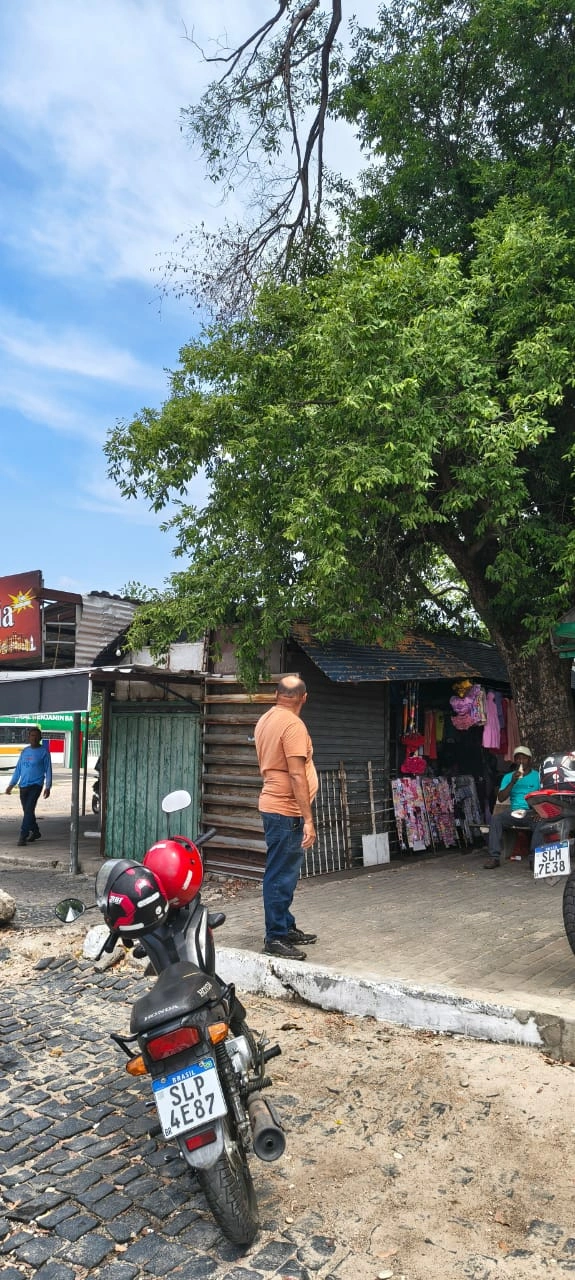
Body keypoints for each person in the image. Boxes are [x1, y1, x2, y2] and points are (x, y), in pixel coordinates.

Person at [254, 675, 318, 960]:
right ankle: (275, 937)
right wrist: (308, 819)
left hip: (275, 806)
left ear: (278, 694)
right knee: (280, 875)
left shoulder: (266, 719)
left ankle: (285, 926)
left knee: (285, 874)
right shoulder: (293, 725)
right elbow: (295, 773)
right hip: (286, 810)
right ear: (303, 697)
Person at [483, 746, 540, 869]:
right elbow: (502, 797)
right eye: (518, 758)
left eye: (524, 758)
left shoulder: (538, 776)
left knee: (540, 823)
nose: (520, 761)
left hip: (530, 812)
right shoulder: (509, 777)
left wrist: (538, 811)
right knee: (496, 819)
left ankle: (535, 859)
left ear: (529, 760)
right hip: (514, 812)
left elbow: (543, 796)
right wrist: (512, 782)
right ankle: (494, 858)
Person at [6, 727, 52, 847]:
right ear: (28, 737)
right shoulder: (25, 751)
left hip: (36, 785)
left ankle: (23, 835)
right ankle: (36, 831)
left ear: (40, 738)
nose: (34, 738)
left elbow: (48, 770)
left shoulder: (44, 752)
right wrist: (11, 785)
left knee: (28, 810)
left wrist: (48, 786)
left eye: (36, 736)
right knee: (28, 811)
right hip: (23, 785)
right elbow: (18, 769)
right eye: (32, 735)